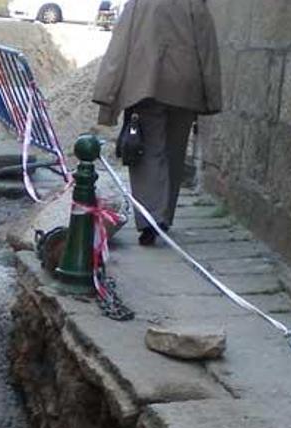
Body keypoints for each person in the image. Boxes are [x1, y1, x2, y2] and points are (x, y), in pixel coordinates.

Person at [92, 0, 222, 246]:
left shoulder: (139, 3)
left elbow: (118, 50)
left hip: (145, 85)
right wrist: (211, 95)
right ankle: (164, 216)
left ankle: (151, 218)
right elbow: (207, 49)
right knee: (174, 153)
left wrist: (107, 98)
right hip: (185, 87)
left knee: (148, 153)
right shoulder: (195, 4)